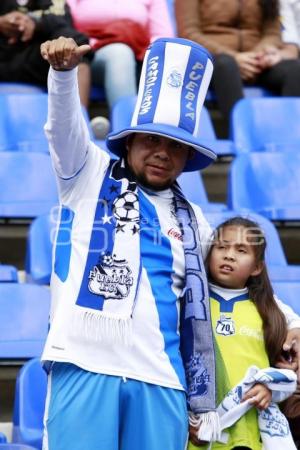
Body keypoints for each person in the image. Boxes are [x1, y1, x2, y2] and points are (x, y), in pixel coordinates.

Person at [40, 36, 300, 450]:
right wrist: (63, 73)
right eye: (152, 141)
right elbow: (63, 127)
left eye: (175, 146)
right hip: (84, 363)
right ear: (129, 142)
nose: (162, 153)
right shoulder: (86, 174)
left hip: (163, 379)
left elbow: (231, 282)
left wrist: (293, 324)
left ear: (187, 158)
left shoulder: (194, 219)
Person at [189, 216, 298, 449]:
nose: (229, 255)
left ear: (257, 267)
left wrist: (270, 389)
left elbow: (283, 373)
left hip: (251, 426)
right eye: (222, 247)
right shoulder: (191, 303)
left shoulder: (269, 311)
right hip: (200, 427)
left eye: (241, 250)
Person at [175, 0, 300, 132]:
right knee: (226, 64)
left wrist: (257, 55)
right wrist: (235, 57)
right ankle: (245, 135)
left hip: (256, 60)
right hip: (212, 59)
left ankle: (291, 137)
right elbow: (188, 33)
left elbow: (273, 33)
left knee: (294, 69)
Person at [66, 0, 175, 136]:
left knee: (128, 54)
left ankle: (137, 132)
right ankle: (127, 133)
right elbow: (65, 27)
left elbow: (163, 37)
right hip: (89, 53)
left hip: (140, 56)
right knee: (120, 53)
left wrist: (142, 48)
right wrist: (101, 41)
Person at [0, 0, 92, 108]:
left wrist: (36, 22)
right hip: (4, 59)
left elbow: (75, 39)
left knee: (73, 55)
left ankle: (77, 121)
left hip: (38, 60)